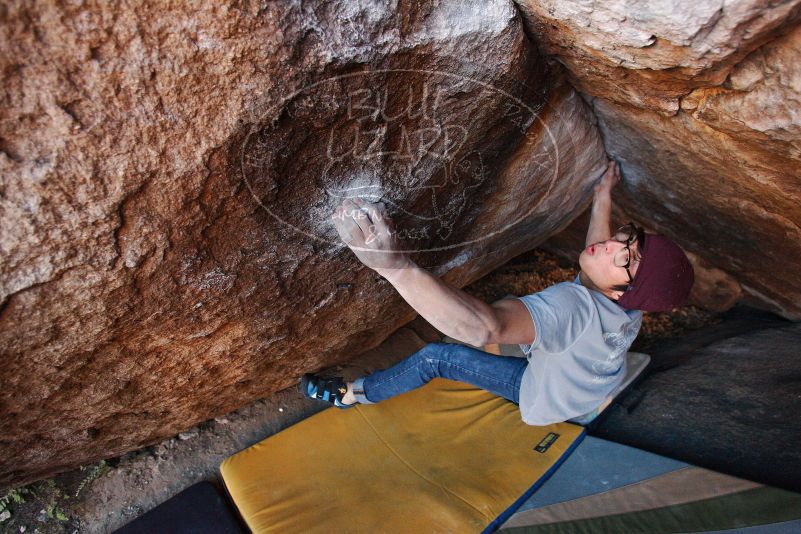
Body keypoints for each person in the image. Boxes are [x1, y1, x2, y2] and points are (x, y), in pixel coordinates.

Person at [300, 161, 694, 425]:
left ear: (626, 289)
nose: (610, 248)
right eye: (624, 239)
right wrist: (603, 195)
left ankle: (352, 395)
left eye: (626, 259)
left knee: (437, 357)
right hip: (595, 384)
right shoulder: (628, 303)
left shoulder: (571, 308)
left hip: (543, 398)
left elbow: (486, 329)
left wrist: (398, 268)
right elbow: (598, 261)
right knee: (534, 325)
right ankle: (585, 396)